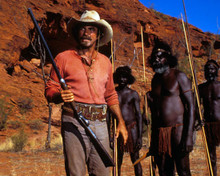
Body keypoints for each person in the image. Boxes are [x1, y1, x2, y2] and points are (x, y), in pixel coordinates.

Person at [45, 10, 128, 176]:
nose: (87, 33)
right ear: (77, 32)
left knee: (103, 172)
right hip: (73, 121)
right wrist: (59, 96)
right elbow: (50, 88)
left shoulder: (105, 62)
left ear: (98, 35)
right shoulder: (63, 58)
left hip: (101, 123)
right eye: (83, 28)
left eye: (92, 29)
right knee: (75, 173)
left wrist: (121, 122)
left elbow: (111, 95)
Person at [147, 40, 195, 176]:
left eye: (160, 56)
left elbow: (191, 106)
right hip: (161, 133)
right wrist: (153, 140)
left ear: (168, 58)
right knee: (164, 171)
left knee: (183, 170)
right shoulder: (155, 80)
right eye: (154, 57)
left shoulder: (179, 76)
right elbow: (156, 112)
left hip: (178, 130)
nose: (157, 59)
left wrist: (189, 136)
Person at [112, 66, 143, 176]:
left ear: (128, 79)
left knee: (135, 159)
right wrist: (110, 134)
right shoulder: (113, 93)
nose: (122, 79)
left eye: (124, 77)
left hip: (132, 128)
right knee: (117, 159)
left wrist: (139, 137)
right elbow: (107, 115)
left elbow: (139, 115)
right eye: (120, 77)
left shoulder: (133, 94)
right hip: (118, 129)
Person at [197, 59, 220, 176]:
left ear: (216, 70)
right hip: (208, 124)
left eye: (212, 69)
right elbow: (196, 106)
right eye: (207, 69)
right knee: (211, 155)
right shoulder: (200, 88)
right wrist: (198, 119)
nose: (209, 71)